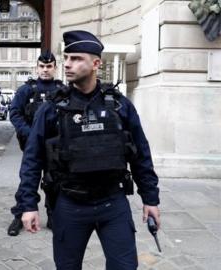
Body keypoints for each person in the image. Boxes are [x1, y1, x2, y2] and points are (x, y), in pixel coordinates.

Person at [18, 30, 161, 269]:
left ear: (96, 63)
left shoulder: (119, 105)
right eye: (66, 58)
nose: (67, 64)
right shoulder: (52, 109)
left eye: (76, 58)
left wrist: (151, 199)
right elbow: (32, 160)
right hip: (69, 204)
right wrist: (28, 205)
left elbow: (141, 156)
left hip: (112, 203)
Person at [7, 50, 65, 236]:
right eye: (42, 66)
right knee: (27, 179)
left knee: (53, 180)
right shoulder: (26, 89)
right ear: (36, 67)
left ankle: (53, 215)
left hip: (54, 146)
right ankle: (19, 215)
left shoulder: (61, 90)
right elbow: (14, 113)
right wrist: (30, 134)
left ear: (55, 68)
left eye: (49, 66)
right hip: (32, 144)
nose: (45, 70)